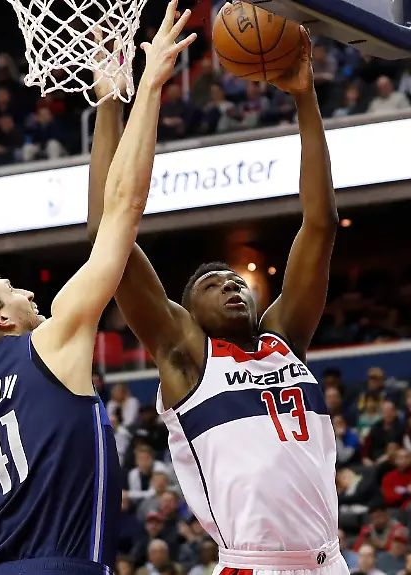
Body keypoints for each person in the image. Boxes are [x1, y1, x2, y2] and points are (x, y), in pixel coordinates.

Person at [0, 7, 196, 575]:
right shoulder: (48, 342)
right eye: (11, 290)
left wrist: (107, 104)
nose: (28, 294)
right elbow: (121, 210)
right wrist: (147, 87)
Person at [87, 13, 343, 575]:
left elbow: (321, 223)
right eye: (211, 284)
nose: (230, 284)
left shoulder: (283, 340)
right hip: (255, 565)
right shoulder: (188, 356)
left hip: (331, 561)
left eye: (235, 280)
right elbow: (107, 236)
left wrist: (305, 98)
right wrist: (109, 103)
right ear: (188, 313)